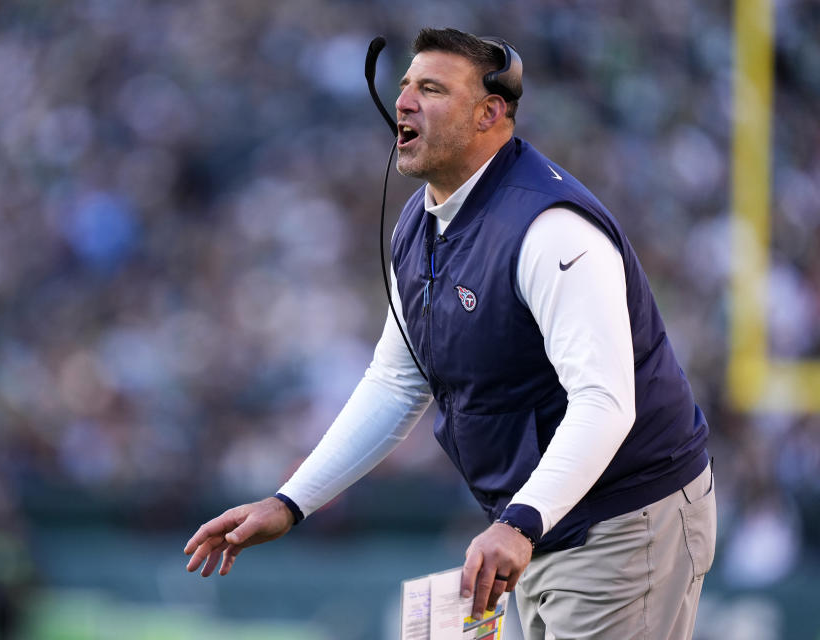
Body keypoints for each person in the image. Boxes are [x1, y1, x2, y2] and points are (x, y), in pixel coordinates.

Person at [185, 27, 716, 640]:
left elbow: (605, 401)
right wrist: (289, 502)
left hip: (621, 520)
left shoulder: (550, 230)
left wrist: (519, 523)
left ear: (491, 112)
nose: (404, 102)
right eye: (406, 86)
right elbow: (396, 380)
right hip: (535, 524)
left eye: (431, 89)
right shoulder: (420, 223)